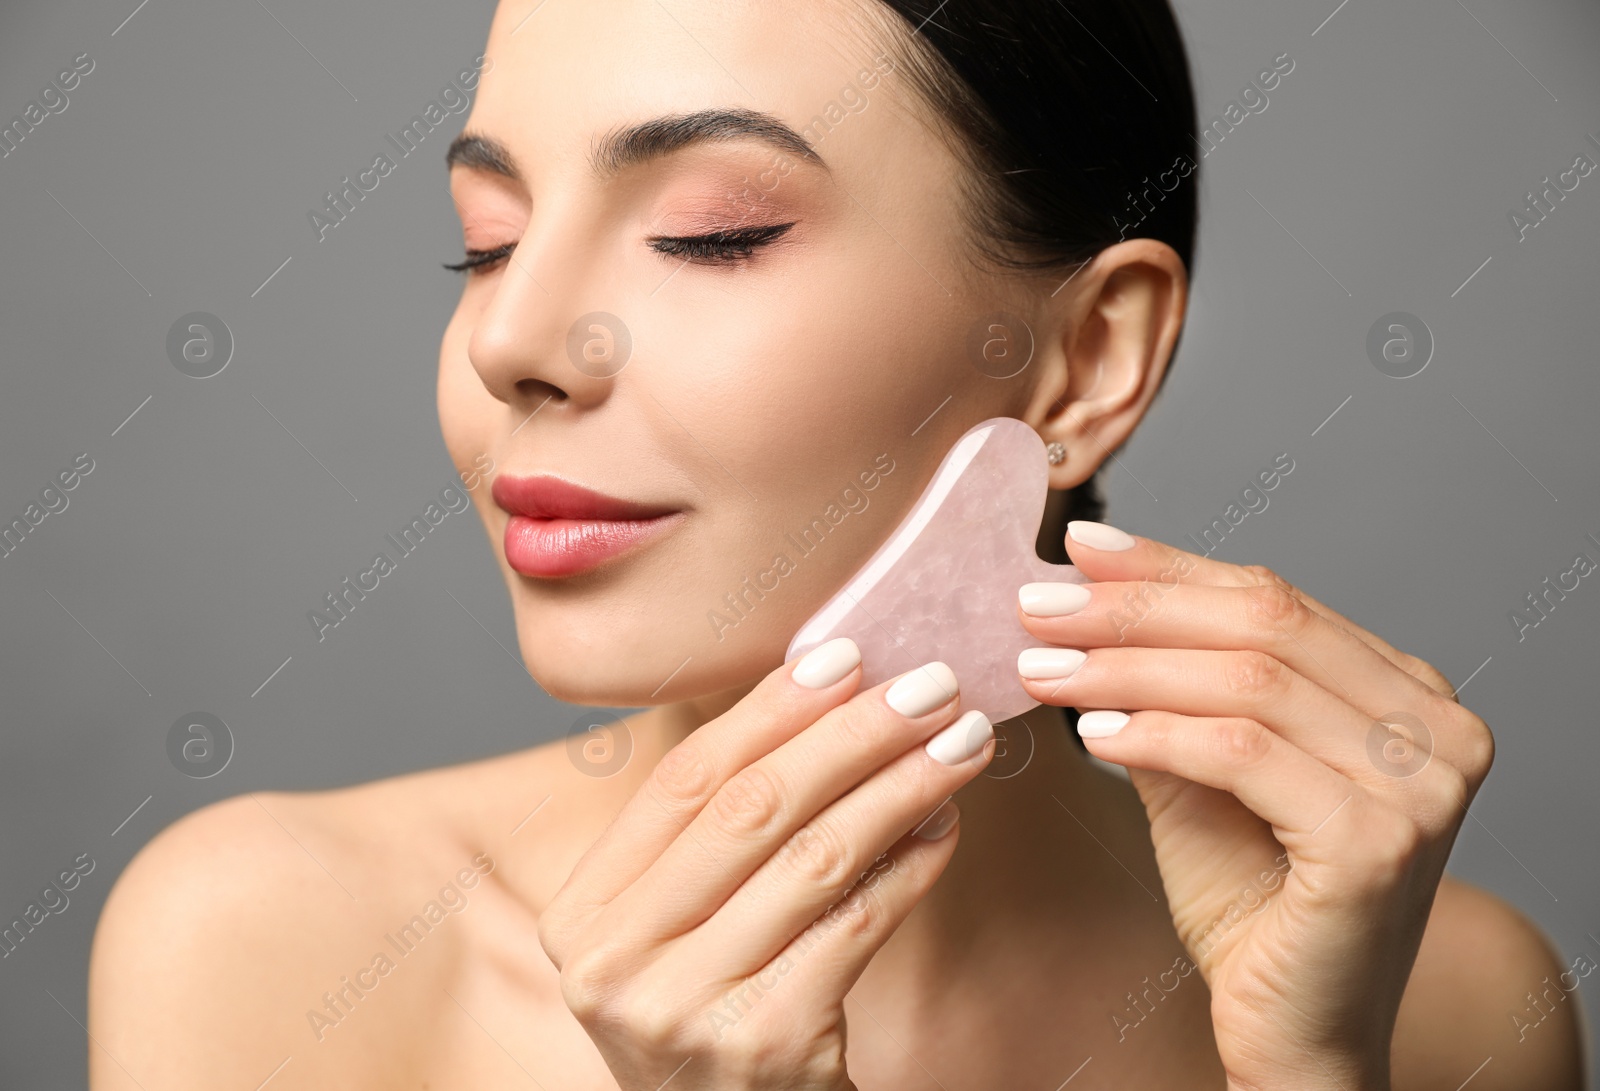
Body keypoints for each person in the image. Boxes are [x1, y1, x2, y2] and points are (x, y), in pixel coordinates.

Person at [88, 0, 1588, 1087]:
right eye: (484, 241)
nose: (514, 338)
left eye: (711, 233)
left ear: (1084, 362)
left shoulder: (1442, 1003)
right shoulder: (272, 948)